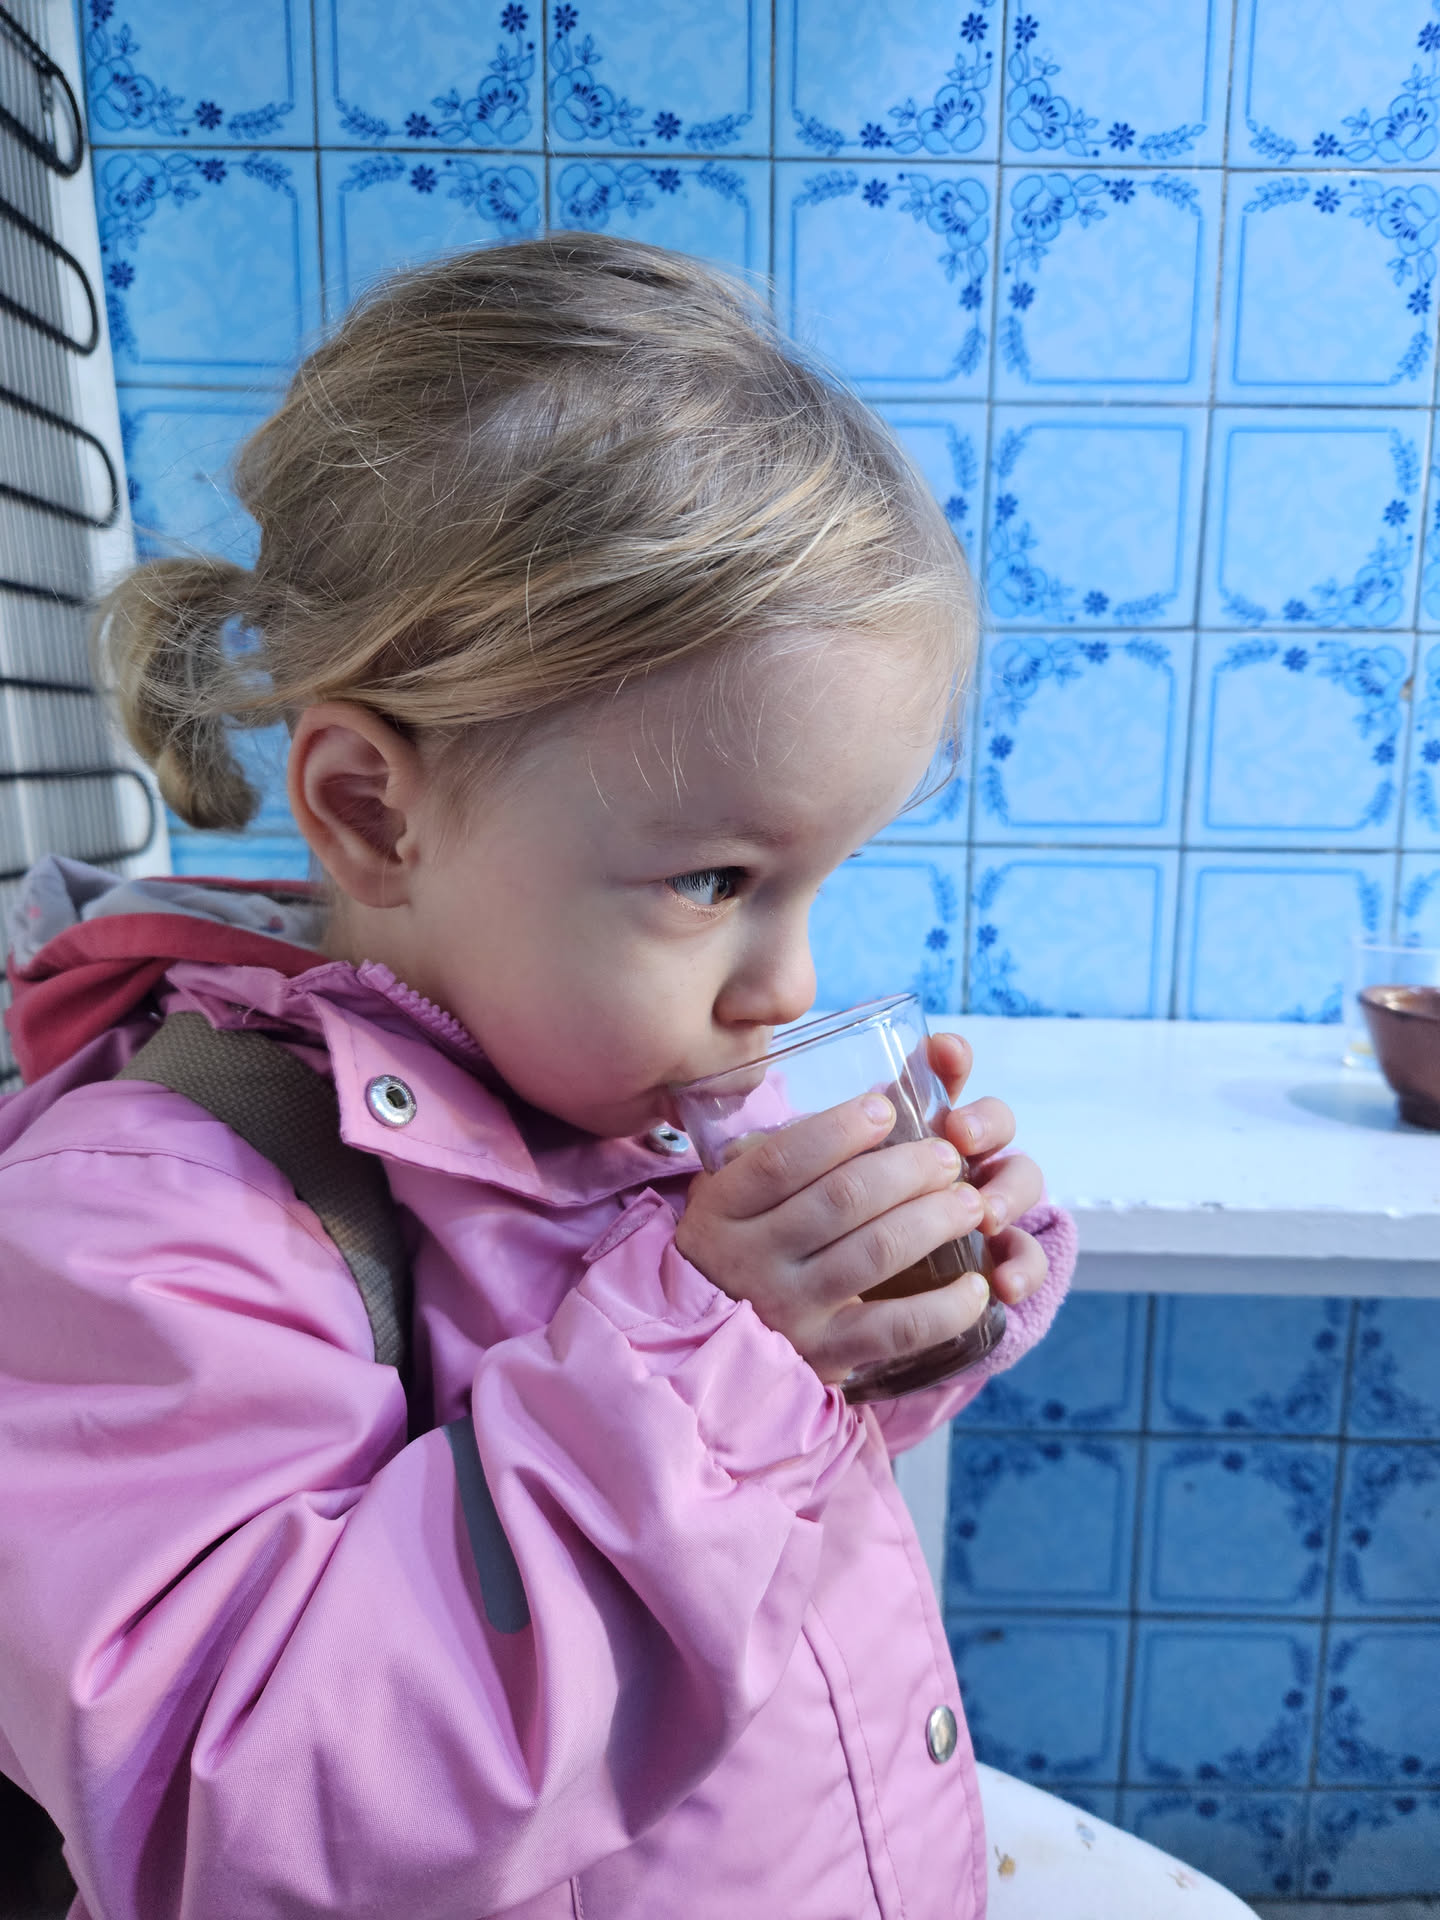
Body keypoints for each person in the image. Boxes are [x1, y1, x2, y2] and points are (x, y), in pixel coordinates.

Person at [0, 234, 1083, 1919]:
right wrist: (727, 1361)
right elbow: (253, 1814)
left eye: (820, 879)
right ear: (372, 811)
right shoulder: (150, 1225)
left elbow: (745, 1505)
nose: (788, 986)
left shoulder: (625, 1086)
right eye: (714, 880)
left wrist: (893, 1310)